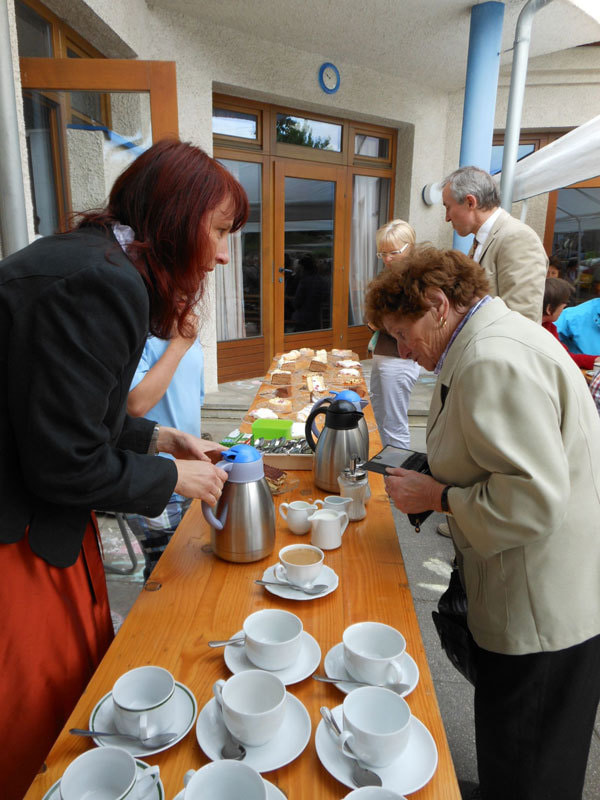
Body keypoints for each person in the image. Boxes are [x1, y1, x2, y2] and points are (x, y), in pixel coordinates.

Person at [0, 138, 248, 800]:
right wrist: (174, 480)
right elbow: (64, 462)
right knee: (38, 717)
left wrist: (161, 438)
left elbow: (70, 412)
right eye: (219, 230)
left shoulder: (92, 261)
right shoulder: (103, 282)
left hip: (42, 522)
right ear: (176, 217)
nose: (223, 254)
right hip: (16, 540)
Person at [365, 246, 600, 800]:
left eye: (403, 334)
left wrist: (439, 496)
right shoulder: (484, 341)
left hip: (543, 603)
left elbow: (533, 499)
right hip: (544, 585)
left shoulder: (490, 359)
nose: (403, 351)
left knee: (530, 752)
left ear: (438, 305)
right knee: (514, 740)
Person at [125, 314, 207, 580]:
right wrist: (179, 344)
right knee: (166, 571)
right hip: (151, 474)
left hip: (191, 469)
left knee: (189, 560)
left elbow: (194, 398)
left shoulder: (187, 328)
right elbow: (135, 404)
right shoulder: (140, 329)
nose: (187, 298)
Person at [441, 165, 548, 323]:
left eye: (448, 207)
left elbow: (523, 319)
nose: (447, 218)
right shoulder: (484, 240)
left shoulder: (518, 237)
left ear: (470, 202)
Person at [367, 220, 421, 449]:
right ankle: (384, 466)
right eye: (382, 253)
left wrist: (377, 321)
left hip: (400, 358)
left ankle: (399, 468)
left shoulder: (416, 278)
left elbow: (408, 321)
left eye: (393, 252)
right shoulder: (391, 274)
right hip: (384, 354)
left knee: (394, 425)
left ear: (410, 247)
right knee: (379, 417)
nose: (387, 259)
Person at [542, 278, 599, 370]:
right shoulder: (546, 330)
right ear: (549, 309)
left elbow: (565, 357)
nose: (563, 310)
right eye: (563, 307)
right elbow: (563, 358)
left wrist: (595, 360)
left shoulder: (549, 326)